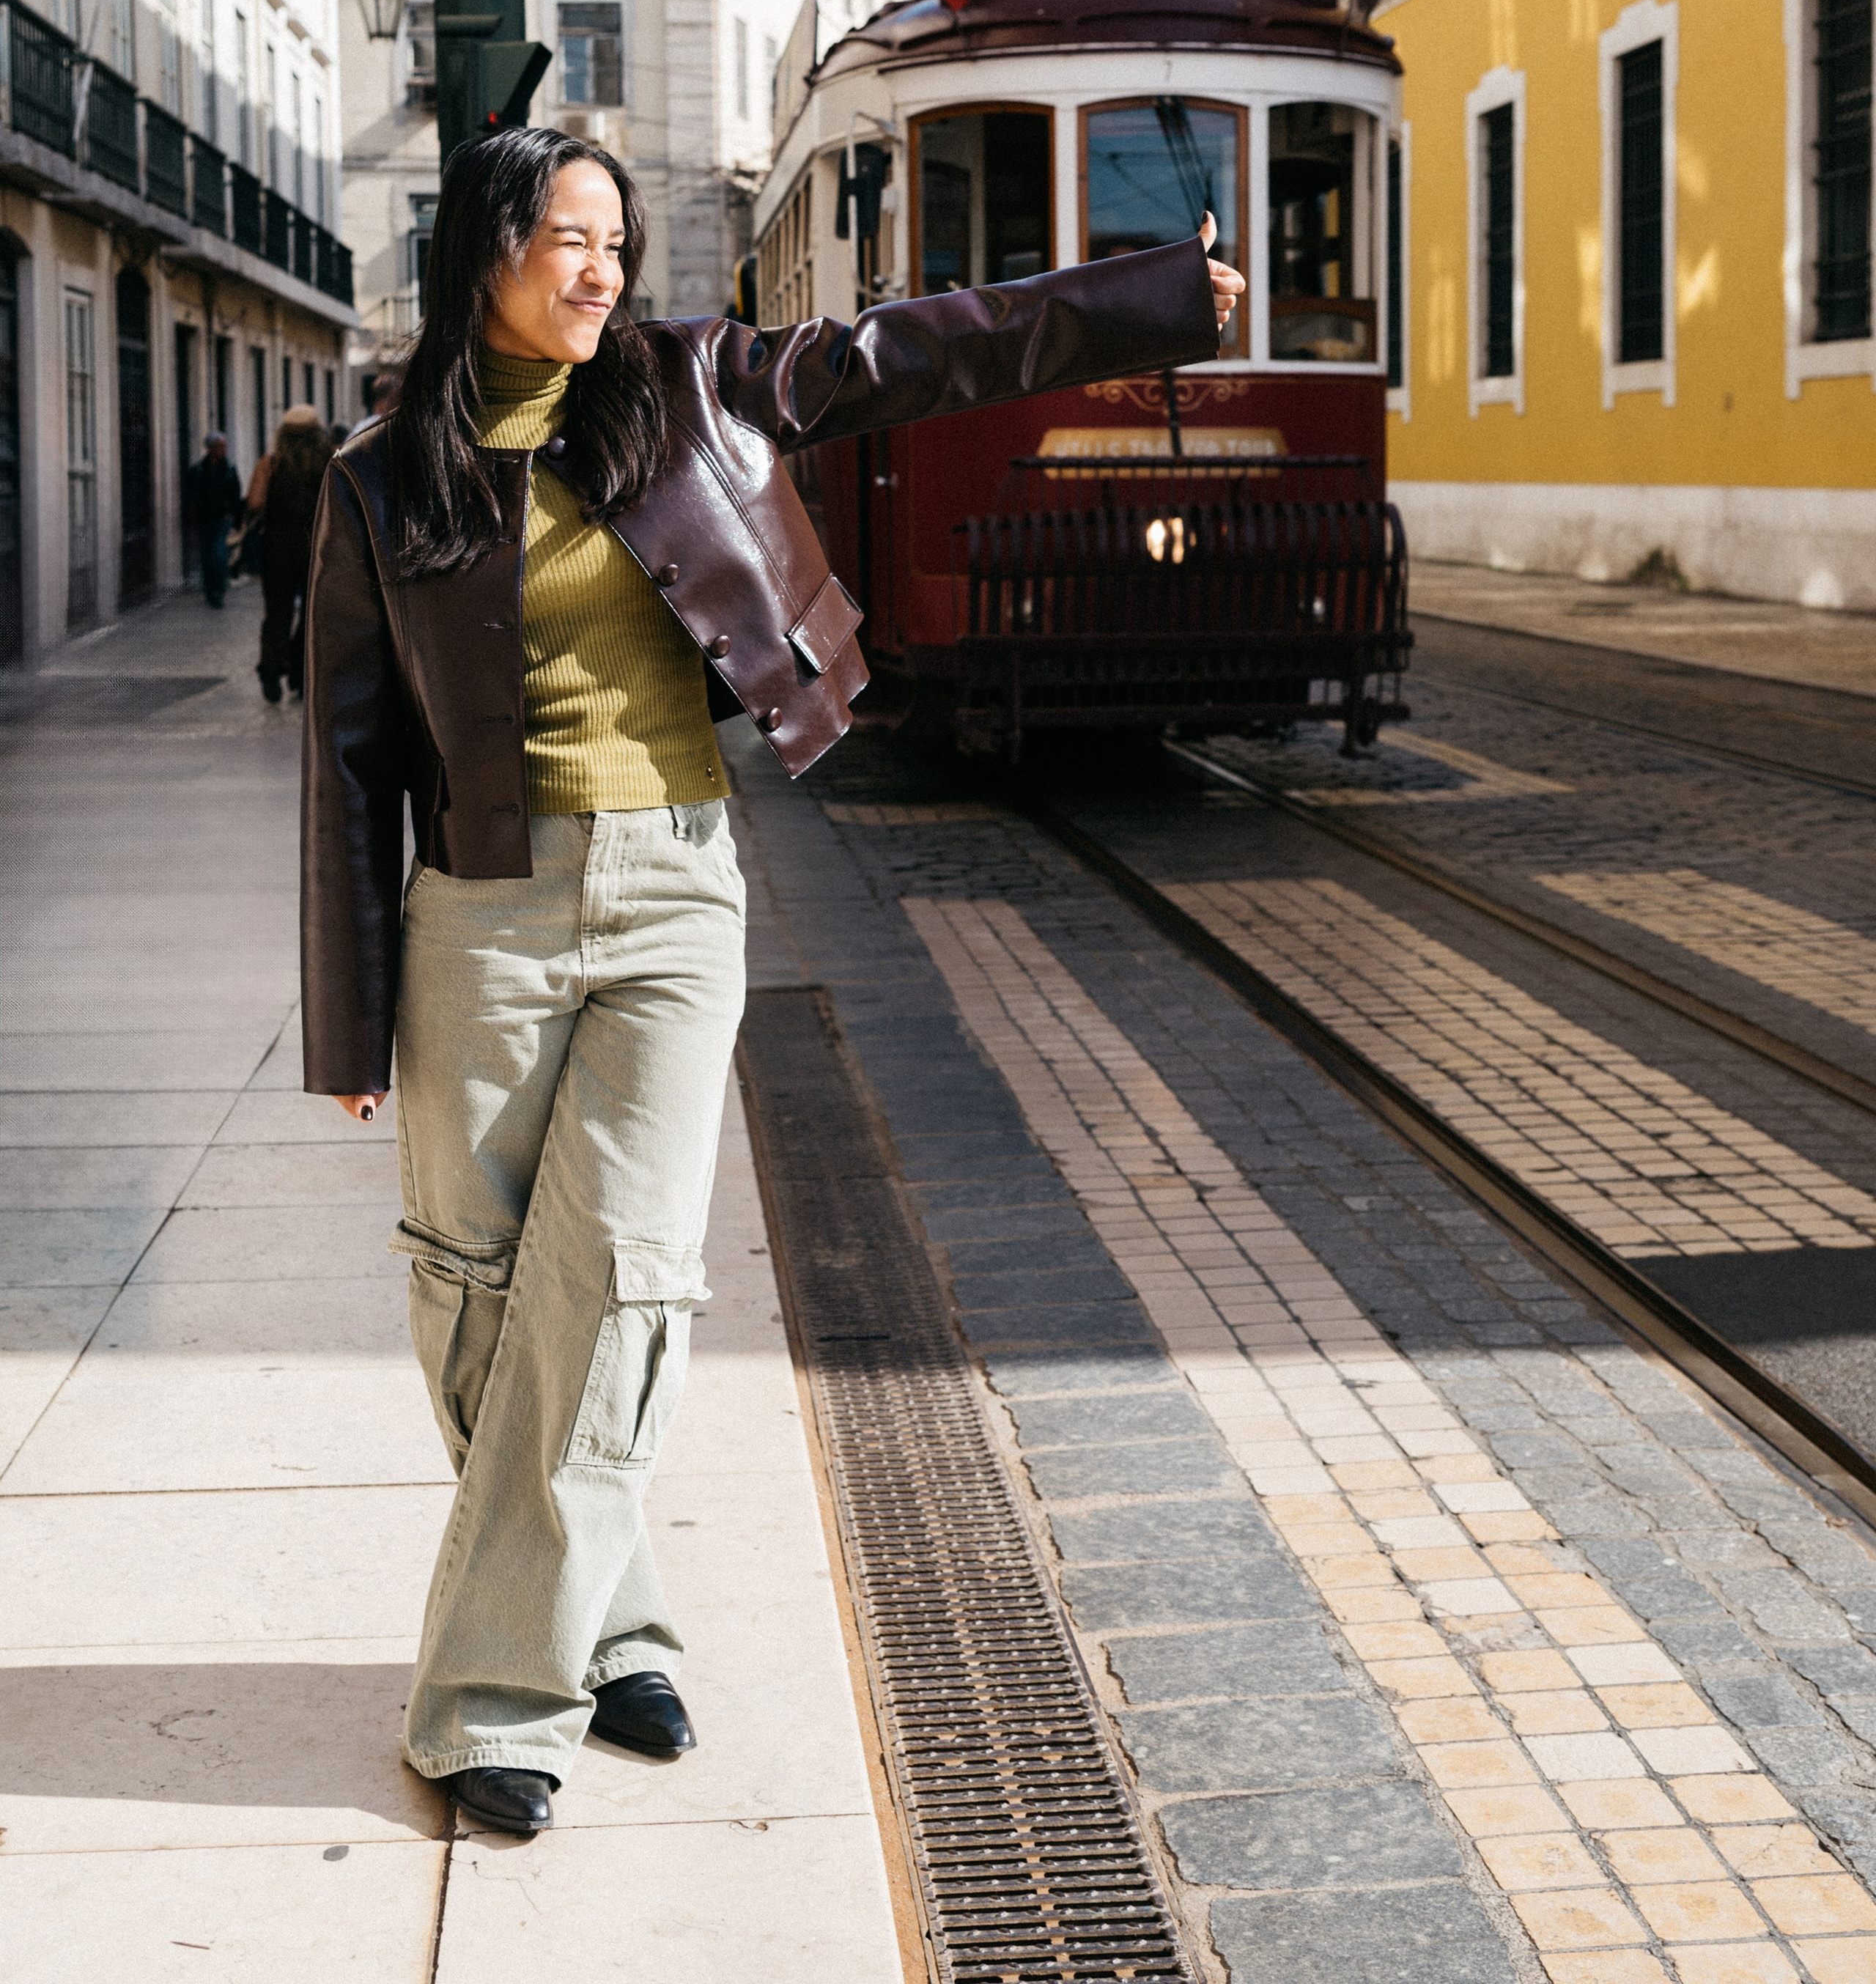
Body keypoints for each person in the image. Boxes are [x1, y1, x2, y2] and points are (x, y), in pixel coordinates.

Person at [300, 125, 1243, 1841]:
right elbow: (351, 758)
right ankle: (615, 1615)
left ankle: (495, 1696)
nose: (598, 269)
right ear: (481, 253)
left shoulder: (683, 383)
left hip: (671, 888)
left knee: (627, 1277)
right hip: (478, 913)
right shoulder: (380, 477)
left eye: (612, 239)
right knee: (475, 1285)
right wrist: (349, 1007)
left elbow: (912, 348)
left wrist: (1143, 302)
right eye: (563, 237)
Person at [244, 407, 334, 703]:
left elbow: (255, 502)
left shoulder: (270, 464)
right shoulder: (331, 463)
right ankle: (301, 672)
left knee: (277, 612)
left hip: (278, 549)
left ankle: (270, 671)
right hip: (318, 549)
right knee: (313, 613)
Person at [185, 432, 243, 610]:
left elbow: (235, 494)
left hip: (222, 519)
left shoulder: (229, 469)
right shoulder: (198, 470)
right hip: (205, 519)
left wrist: (235, 518)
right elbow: (192, 495)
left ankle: (219, 590)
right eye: (219, 447)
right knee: (206, 556)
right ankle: (210, 589)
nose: (223, 450)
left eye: (224, 446)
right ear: (210, 449)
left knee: (218, 553)